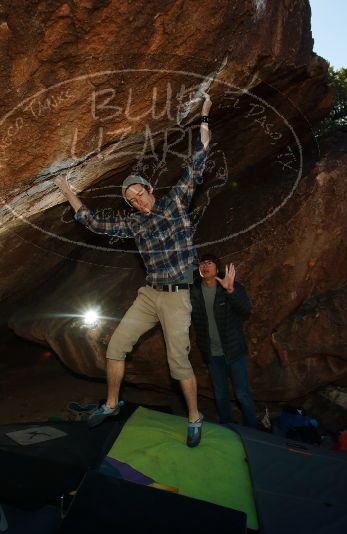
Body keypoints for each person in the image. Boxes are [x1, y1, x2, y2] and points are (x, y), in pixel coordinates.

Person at [55, 94, 213, 447]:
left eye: (140, 193)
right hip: (149, 294)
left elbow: (199, 156)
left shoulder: (174, 203)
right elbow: (94, 223)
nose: (138, 200)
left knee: (178, 363)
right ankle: (111, 405)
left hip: (176, 297)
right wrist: (69, 192)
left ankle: (194, 416)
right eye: (131, 199)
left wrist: (204, 115)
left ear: (150, 189)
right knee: (116, 346)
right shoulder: (133, 225)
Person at [190, 254, 258, 427]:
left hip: (234, 351)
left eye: (210, 263)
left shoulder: (230, 285)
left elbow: (246, 310)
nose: (205, 266)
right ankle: (226, 426)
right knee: (220, 394)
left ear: (217, 268)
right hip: (212, 353)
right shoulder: (194, 291)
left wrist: (230, 291)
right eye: (202, 263)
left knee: (242, 393)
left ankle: (252, 429)